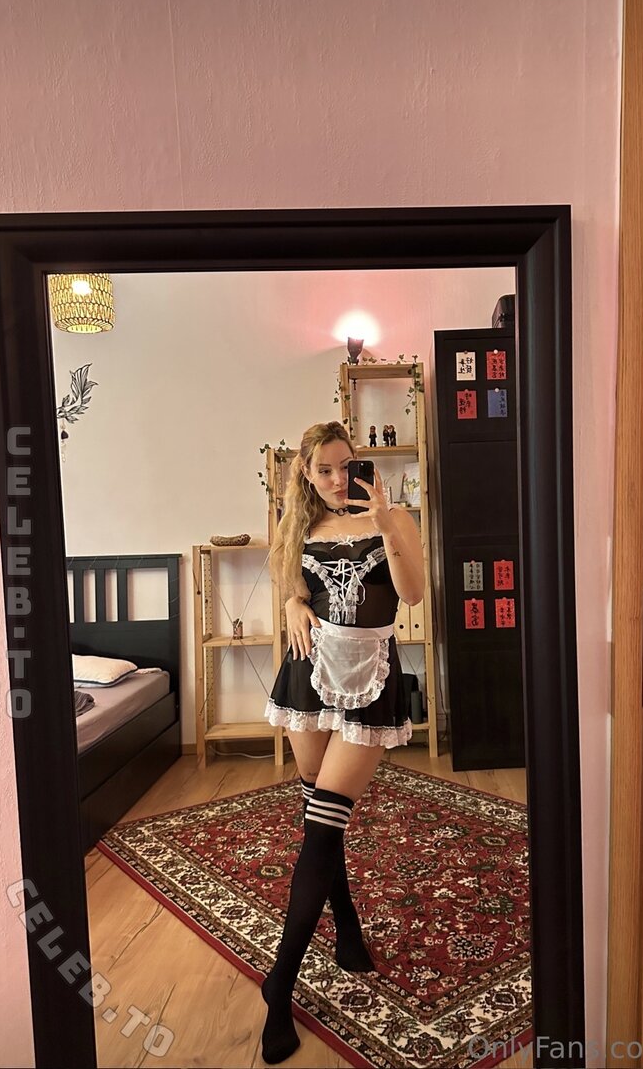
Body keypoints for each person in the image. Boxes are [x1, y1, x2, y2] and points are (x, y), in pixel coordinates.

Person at [261, 420, 424, 1064]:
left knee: (325, 823)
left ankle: (280, 983)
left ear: (359, 463)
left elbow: (412, 594)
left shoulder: (395, 517)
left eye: (344, 466)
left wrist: (384, 522)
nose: (335, 479)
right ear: (306, 473)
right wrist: (293, 606)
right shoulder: (297, 527)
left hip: (371, 675)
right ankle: (347, 930)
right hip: (308, 676)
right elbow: (290, 589)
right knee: (319, 826)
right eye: (323, 469)